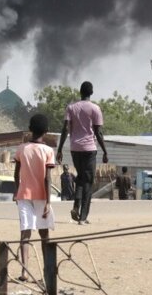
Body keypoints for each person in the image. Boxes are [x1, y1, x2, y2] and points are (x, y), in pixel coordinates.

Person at [56, 81, 108, 225]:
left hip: (75, 149)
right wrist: (105, 151)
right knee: (88, 183)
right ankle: (83, 217)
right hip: (89, 150)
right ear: (91, 93)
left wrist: (59, 149)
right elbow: (98, 132)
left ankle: (76, 207)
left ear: (80, 92)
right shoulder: (95, 109)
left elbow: (65, 129)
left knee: (80, 178)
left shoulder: (71, 107)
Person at [13, 114, 55, 282]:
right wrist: (49, 202)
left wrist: (16, 192)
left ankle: (24, 271)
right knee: (44, 235)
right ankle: (47, 270)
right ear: (46, 131)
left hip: (23, 195)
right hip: (42, 196)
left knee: (25, 233)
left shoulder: (21, 149)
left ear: (30, 129)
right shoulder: (48, 151)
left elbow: (16, 174)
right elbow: (47, 178)